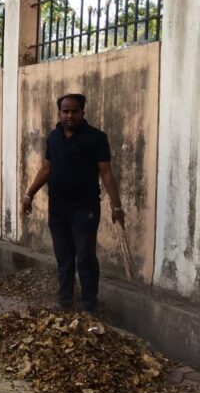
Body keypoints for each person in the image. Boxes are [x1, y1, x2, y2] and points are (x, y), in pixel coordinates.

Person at [21, 93, 124, 313]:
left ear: (82, 112)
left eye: (74, 111)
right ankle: (64, 303)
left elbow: (106, 172)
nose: (69, 115)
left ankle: (89, 307)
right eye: (65, 111)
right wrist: (29, 195)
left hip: (85, 209)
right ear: (59, 113)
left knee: (85, 258)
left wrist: (117, 206)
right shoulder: (53, 137)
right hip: (58, 209)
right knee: (64, 258)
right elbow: (46, 169)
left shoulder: (96, 138)